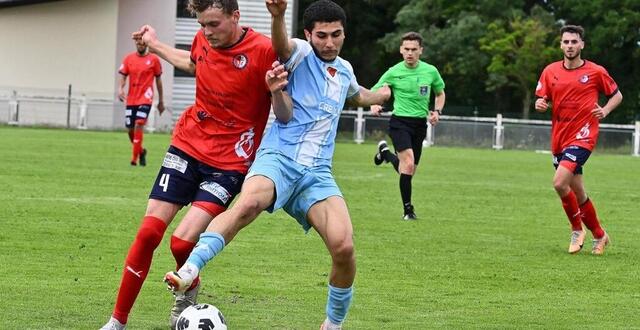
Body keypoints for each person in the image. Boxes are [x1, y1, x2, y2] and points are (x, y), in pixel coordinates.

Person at [163, 0, 390, 329]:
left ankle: (333, 324)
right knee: (249, 203)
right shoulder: (298, 52)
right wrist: (279, 15)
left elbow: (357, 95)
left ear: (344, 34)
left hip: (317, 175)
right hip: (279, 158)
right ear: (308, 34)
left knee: (344, 246)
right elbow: (281, 46)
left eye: (336, 35)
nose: (329, 42)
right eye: (322, 35)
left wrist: (382, 94)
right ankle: (191, 269)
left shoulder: (344, 70)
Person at [100, 1, 277, 329]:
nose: (207, 33)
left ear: (235, 16)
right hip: (187, 144)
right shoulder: (203, 40)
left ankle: (189, 284)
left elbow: (285, 92)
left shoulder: (263, 51)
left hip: (229, 163)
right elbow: (191, 61)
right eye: (201, 25)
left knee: (181, 242)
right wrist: (152, 42)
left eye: (214, 24)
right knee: (148, 232)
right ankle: (116, 322)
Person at [534, 25, 622, 255]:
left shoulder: (595, 71)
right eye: (566, 42)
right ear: (561, 45)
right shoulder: (550, 71)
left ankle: (576, 229)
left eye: (574, 42)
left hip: (583, 135)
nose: (570, 46)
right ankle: (600, 236)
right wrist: (540, 105)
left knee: (559, 183)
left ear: (582, 44)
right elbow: (542, 100)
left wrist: (605, 110)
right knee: (578, 191)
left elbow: (617, 95)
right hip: (559, 137)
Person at [370, 31, 445, 220]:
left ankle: (385, 154)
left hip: (420, 125)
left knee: (408, 170)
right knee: (408, 163)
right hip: (399, 122)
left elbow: (440, 93)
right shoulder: (394, 71)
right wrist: (375, 103)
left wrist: (437, 111)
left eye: (414, 49)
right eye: (406, 49)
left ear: (421, 50)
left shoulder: (430, 71)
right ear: (401, 50)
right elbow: (375, 90)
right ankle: (408, 211)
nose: (410, 53)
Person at [118, 39, 165, 166]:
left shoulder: (154, 60)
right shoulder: (129, 59)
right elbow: (123, 76)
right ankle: (141, 151)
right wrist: (120, 88)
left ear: (146, 44)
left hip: (146, 98)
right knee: (130, 130)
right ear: (136, 44)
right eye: (138, 43)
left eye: (143, 43)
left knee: (139, 124)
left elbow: (158, 81)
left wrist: (161, 101)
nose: (140, 45)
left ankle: (134, 159)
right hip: (132, 98)